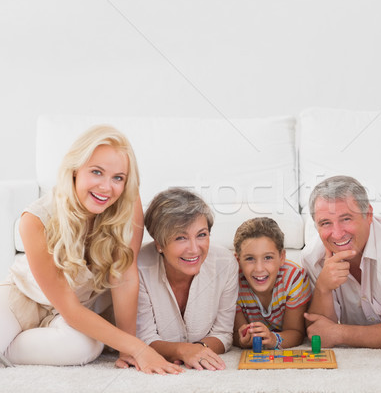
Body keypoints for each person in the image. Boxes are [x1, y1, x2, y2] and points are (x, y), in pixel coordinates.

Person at [0, 125, 181, 374]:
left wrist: (128, 347)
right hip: (22, 299)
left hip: (70, 313)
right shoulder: (34, 220)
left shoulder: (127, 202)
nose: (107, 187)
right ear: (75, 170)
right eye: (97, 172)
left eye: (118, 177)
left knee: (87, 347)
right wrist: (140, 348)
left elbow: (124, 275)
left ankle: (8, 349)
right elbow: (69, 307)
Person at [301, 175, 381, 348]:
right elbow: (318, 332)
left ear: (368, 214)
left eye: (346, 219)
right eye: (325, 223)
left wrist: (339, 333)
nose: (338, 233)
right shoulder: (312, 257)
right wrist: (323, 287)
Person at [137, 187, 238, 371]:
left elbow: (223, 333)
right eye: (181, 238)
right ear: (159, 243)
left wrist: (198, 351)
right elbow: (143, 339)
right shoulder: (139, 266)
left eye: (201, 235)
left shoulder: (225, 263)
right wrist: (182, 351)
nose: (194, 249)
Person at [233, 217, 311, 350]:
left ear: (282, 257)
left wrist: (274, 339)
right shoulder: (233, 282)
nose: (259, 268)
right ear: (238, 260)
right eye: (250, 258)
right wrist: (243, 340)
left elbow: (296, 332)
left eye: (268, 257)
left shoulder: (293, 277)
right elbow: (235, 334)